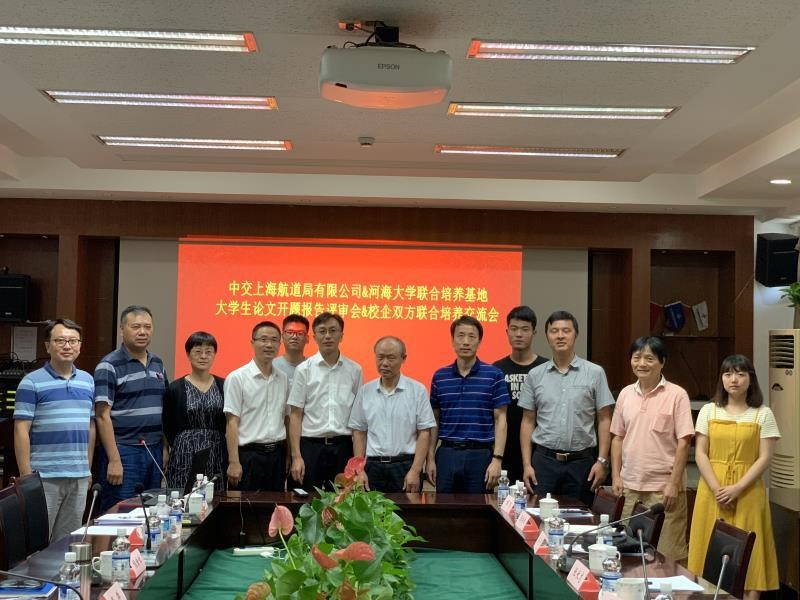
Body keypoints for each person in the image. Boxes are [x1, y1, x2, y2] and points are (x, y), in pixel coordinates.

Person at [688, 355, 780, 599]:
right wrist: (718, 489)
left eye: (740, 374)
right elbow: (700, 453)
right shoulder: (708, 410)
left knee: (751, 553)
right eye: (728, 374)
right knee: (708, 549)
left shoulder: (763, 413)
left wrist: (737, 488)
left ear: (751, 379)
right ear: (722, 378)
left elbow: (765, 458)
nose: (734, 379)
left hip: (748, 491)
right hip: (712, 489)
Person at [610, 336, 694, 560]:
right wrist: (616, 476)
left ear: (662, 362)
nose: (642, 364)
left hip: (664, 490)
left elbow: (684, 442)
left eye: (649, 358)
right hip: (629, 488)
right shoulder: (625, 394)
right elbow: (617, 437)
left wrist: (673, 484)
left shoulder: (677, 395)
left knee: (668, 557)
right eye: (636, 358)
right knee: (627, 555)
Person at [519, 310, 614, 506]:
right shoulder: (535, 375)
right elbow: (527, 421)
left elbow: (605, 418)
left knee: (580, 517)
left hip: (582, 464)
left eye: (566, 330)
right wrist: (527, 464)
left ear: (575, 334)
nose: (560, 336)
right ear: (547, 336)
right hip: (543, 463)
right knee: (539, 517)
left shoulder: (595, 373)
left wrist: (602, 461)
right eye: (554, 331)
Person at [13, 318, 95, 541]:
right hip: (44, 476)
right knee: (37, 542)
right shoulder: (31, 382)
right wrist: (26, 476)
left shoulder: (88, 381)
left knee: (68, 543)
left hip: (78, 476)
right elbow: (21, 430)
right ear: (47, 346)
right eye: (60, 341)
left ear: (80, 345)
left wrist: (87, 468)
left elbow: (90, 426)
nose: (67, 346)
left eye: (73, 341)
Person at [94, 305, 167, 510]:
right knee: (119, 511)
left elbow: (163, 408)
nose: (142, 332)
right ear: (122, 329)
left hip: (153, 449)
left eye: (147, 327)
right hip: (124, 451)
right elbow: (102, 416)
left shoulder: (157, 363)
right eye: (136, 327)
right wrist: (114, 459)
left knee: (151, 511)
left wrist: (165, 447)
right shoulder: (109, 365)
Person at [428, 315, 509, 493]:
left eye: (471, 336)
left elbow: (501, 420)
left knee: (479, 507)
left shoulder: (494, 375)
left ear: (479, 341)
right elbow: (434, 420)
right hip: (447, 453)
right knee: (444, 506)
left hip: (480, 455)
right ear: (452, 340)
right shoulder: (440, 376)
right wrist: (430, 459)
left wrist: (497, 459)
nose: (465, 342)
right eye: (460, 335)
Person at [349, 336, 435, 493]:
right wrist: (360, 470)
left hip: (405, 466)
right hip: (372, 467)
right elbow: (359, 433)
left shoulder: (417, 391)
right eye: (380, 357)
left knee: (406, 509)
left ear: (403, 358)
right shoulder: (365, 391)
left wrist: (415, 470)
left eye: (391, 358)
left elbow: (424, 433)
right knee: (371, 509)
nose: (384, 363)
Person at [288, 312, 362, 490]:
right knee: (306, 499)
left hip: (343, 447)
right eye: (322, 331)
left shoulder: (355, 370)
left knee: (342, 502)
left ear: (341, 335)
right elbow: (295, 415)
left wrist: (358, 462)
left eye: (333, 330)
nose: (327, 336)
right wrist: (296, 457)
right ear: (314, 337)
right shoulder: (303, 369)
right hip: (310, 447)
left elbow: (358, 418)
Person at [224, 321, 290, 491]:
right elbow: (231, 423)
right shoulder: (237, 378)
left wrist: (289, 455)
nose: (269, 344)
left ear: (280, 344)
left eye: (274, 340)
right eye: (263, 339)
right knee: (246, 506)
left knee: (275, 505)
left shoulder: (283, 379)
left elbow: (286, 419)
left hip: (277, 456)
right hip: (248, 456)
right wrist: (234, 461)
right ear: (252, 342)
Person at [163, 331, 226, 491]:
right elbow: (167, 423)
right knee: (182, 497)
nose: (203, 356)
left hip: (216, 452)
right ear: (188, 354)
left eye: (208, 352)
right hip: (184, 453)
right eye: (198, 351)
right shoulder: (175, 388)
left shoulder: (224, 385)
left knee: (215, 496)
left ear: (215, 354)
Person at [493, 305, 548, 483]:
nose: (518, 334)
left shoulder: (546, 368)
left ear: (534, 333)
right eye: (514, 329)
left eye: (525, 329)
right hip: (504, 449)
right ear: (507, 332)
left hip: (539, 451)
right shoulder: (496, 369)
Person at [272, 314, 310, 385]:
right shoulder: (271, 366)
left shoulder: (312, 367)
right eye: (290, 332)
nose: (294, 336)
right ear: (282, 337)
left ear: (307, 339)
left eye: (300, 333)